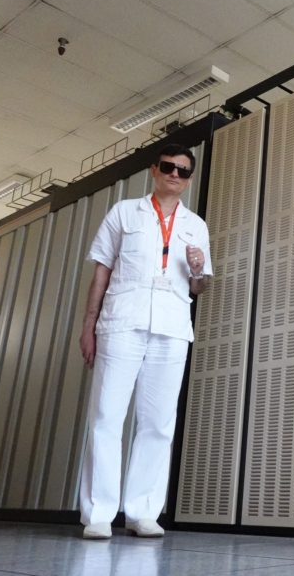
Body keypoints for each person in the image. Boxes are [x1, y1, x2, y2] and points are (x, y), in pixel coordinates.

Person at [78, 144, 212, 539]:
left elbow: (200, 287)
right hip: (122, 323)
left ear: (189, 178)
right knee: (106, 417)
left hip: (171, 329)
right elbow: (101, 273)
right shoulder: (124, 212)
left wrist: (199, 269)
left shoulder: (196, 225)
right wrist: (88, 326)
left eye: (183, 171)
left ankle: (143, 512)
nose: (175, 175)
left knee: (158, 423)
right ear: (155, 170)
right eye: (168, 167)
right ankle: (99, 514)